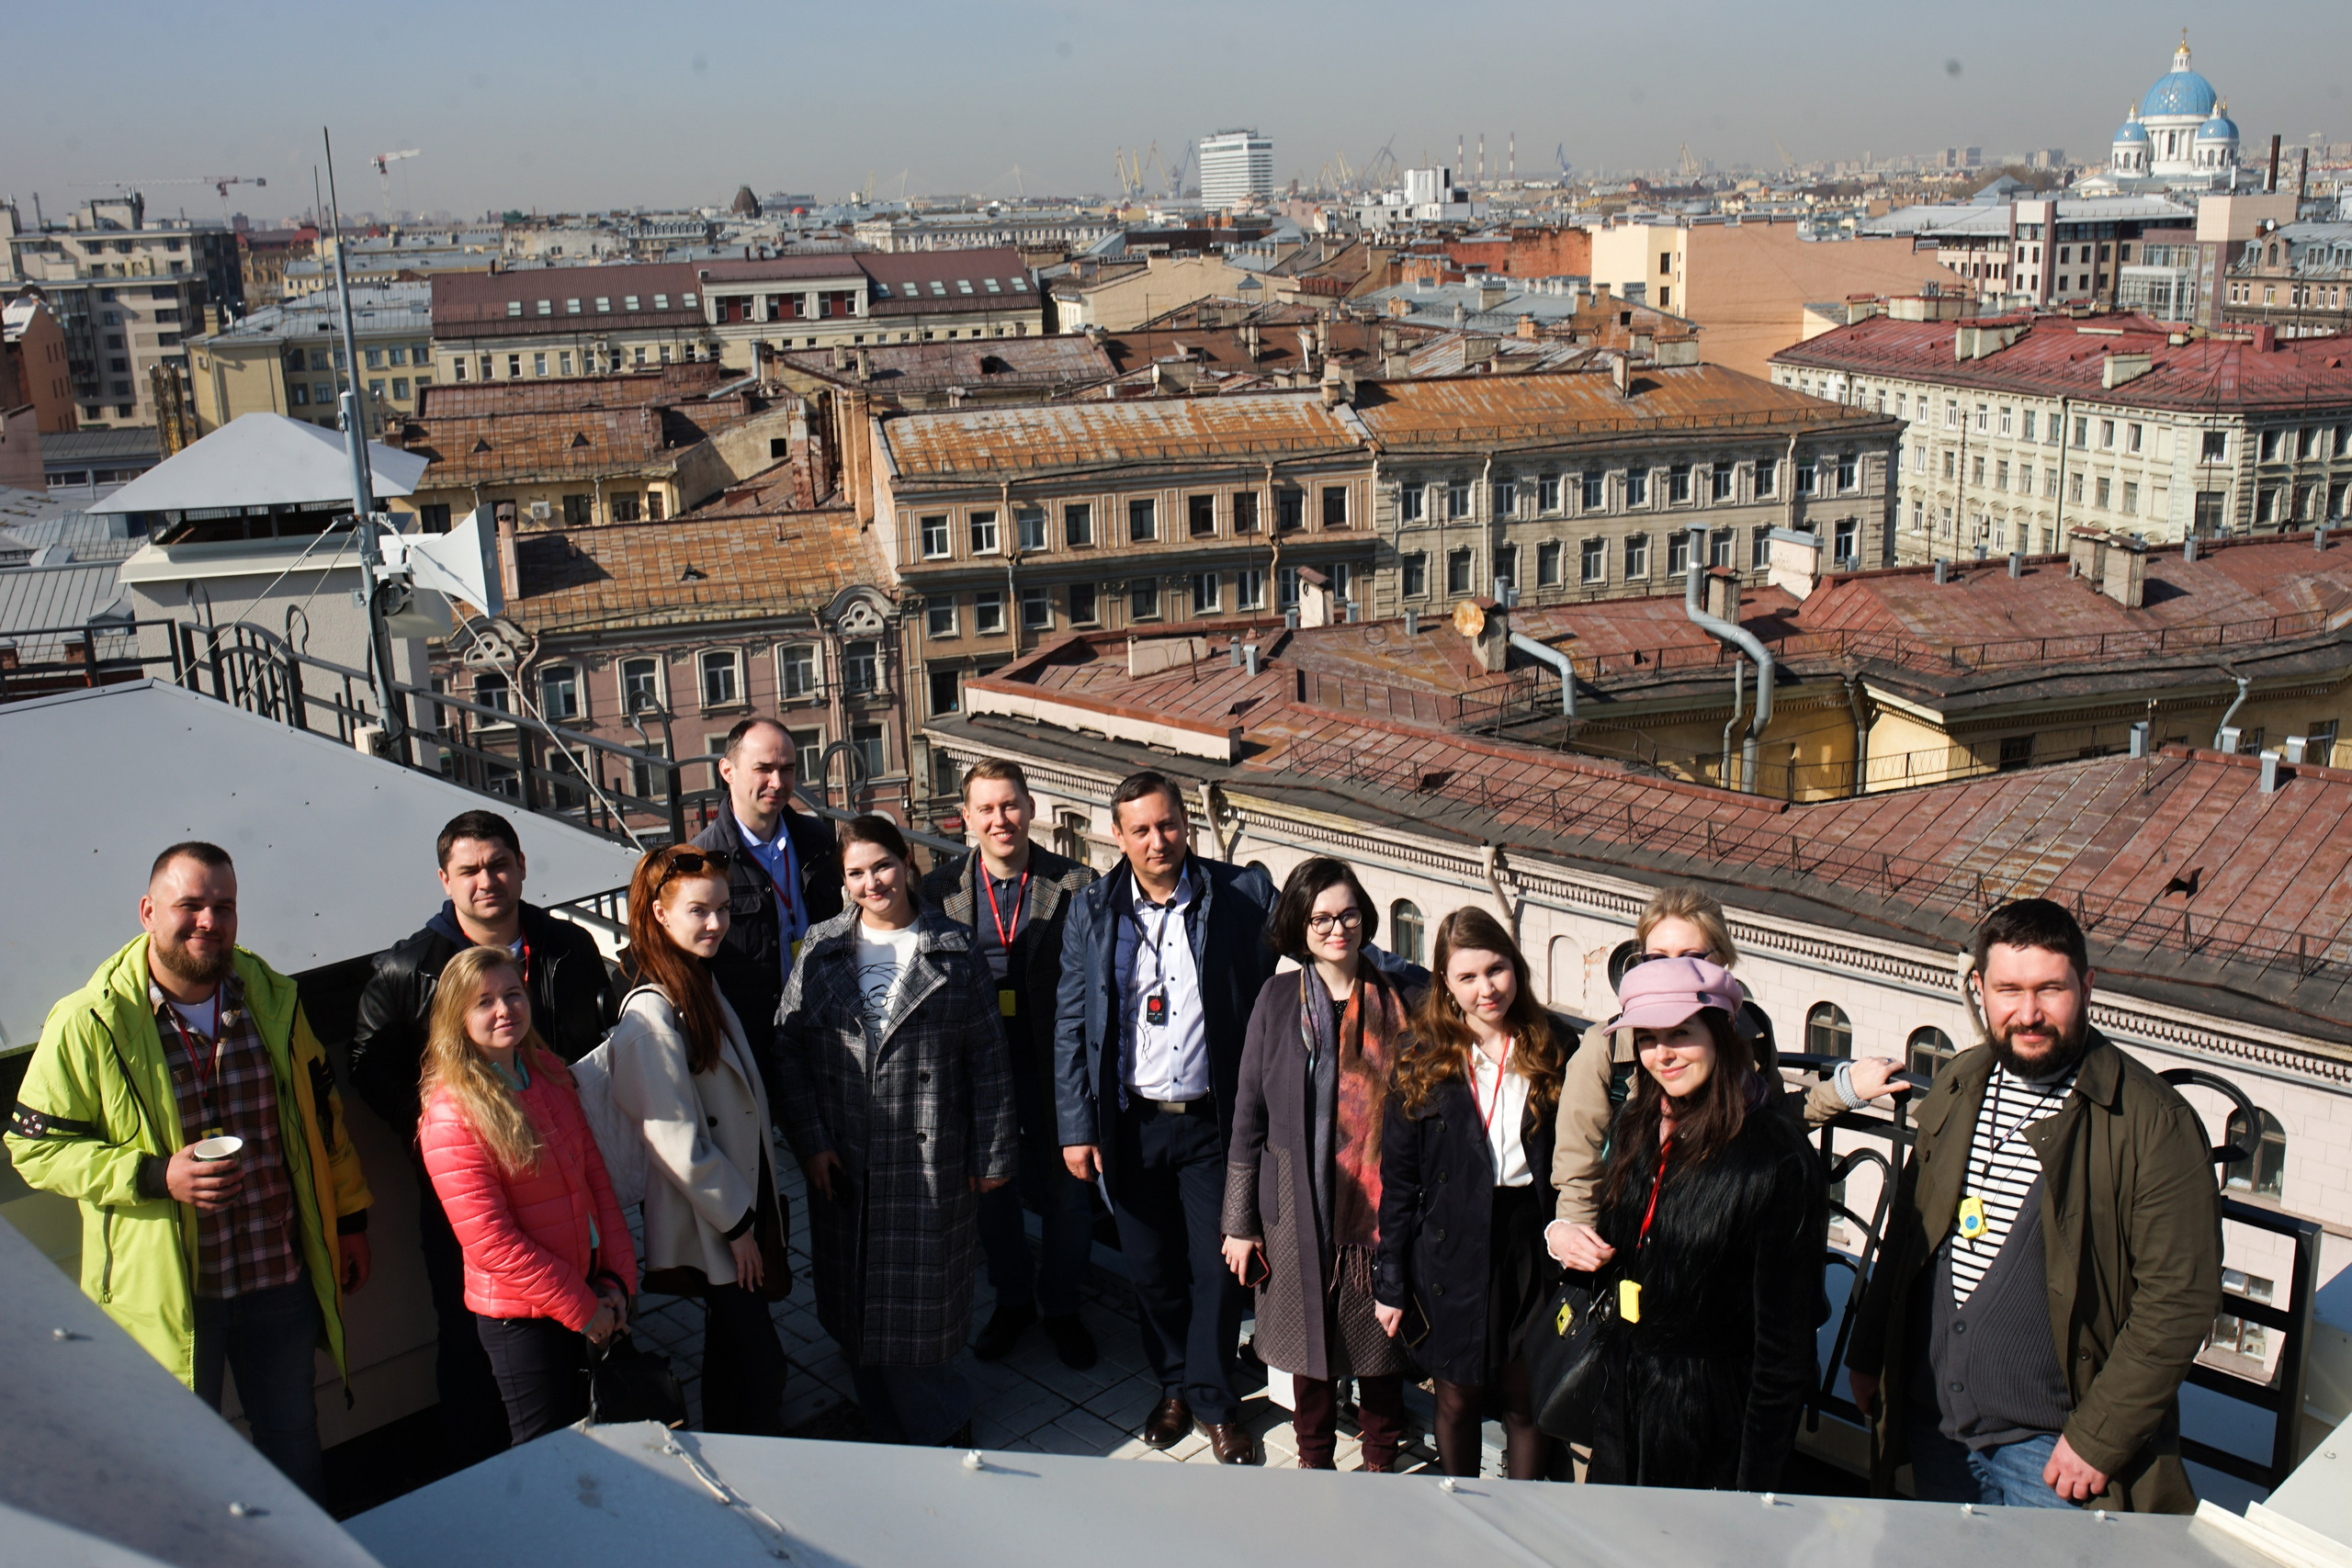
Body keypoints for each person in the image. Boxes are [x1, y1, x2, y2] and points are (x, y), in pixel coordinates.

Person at [6, 842, 373, 1500]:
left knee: (292, 1443)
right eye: (191, 905)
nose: (209, 921)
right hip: (167, 1295)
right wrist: (154, 1177)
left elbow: (325, 1117)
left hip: (275, 1276)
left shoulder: (270, 998)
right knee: (179, 1464)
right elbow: (34, 1149)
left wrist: (350, 1219)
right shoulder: (90, 1020)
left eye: (224, 906)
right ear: (149, 911)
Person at [1845, 898, 2222, 1513]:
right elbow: (1908, 1231)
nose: (2028, 1012)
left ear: (2088, 985)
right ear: (1980, 989)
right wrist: (1868, 1352)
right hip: (1936, 1417)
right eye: (2008, 989)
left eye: (2050, 988)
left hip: (2056, 1452)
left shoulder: (2152, 1122)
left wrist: (2099, 1438)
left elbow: (2179, 1300)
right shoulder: (1962, 1080)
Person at [350, 808, 617, 1463]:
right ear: (445, 879)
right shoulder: (407, 966)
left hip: (563, 1183)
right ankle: (483, 1478)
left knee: (575, 1338)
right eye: (468, 869)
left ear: (522, 866)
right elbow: (366, 1062)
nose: (486, 880)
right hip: (471, 1199)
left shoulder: (567, 947)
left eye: (499, 864)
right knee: (475, 1349)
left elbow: (589, 1041)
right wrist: (444, 1132)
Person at [1055, 773, 1282, 1464]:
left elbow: (1315, 949)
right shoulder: (1093, 908)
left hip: (1213, 1123)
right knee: (1151, 1268)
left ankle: (1214, 1402)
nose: (1160, 841)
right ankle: (1174, 1382)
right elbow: (1071, 1020)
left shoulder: (1238, 895)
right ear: (1118, 836)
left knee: (1219, 1270)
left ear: (1188, 823)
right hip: (1129, 1121)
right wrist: (1075, 1125)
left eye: (1170, 824)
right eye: (1143, 830)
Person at [775, 815, 1017, 1446]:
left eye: (881, 865)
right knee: (854, 1295)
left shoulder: (955, 948)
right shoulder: (822, 948)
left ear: (907, 861)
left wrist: (991, 1153)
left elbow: (988, 1060)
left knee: (924, 1305)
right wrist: (811, 1141)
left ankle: (942, 1421)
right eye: (855, 872)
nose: (870, 881)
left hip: (929, 1157)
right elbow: (788, 1049)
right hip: (847, 1157)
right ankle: (878, 1408)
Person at [1548, 884, 1900, 1272]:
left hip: (1724, 1238)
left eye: (1690, 958)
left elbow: (1774, 1121)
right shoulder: (1609, 1047)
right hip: (1638, 1243)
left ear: (1723, 962)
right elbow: (1578, 1166)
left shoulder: (1750, 1031)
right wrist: (1576, 1239)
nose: (1673, 971)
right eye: (1658, 959)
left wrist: (1845, 1090)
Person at [1579, 956, 1829, 1490]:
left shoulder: (1774, 1159)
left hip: (1709, 1425)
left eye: (1681, 1034)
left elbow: (1783, 1350)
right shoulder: (1642, 1125)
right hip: (1625, 1400)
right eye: (1647, 1037)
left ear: (1720, 1033)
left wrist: (1752, 1489)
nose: (1662, 1054)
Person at [1222, 858, 1417, 1472]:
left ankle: (1381, 1459)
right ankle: (1314, 1462)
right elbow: (1248, 1113)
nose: (1338, 928)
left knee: (1379, 1348)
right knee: (1309, 1351)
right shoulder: (1277, 998)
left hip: (1375, 1211)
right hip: (1295, 1205)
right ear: (1300, 926)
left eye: (1349, 913)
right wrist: (1240, 1219)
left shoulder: (1402, 998)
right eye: (1322, 917)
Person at [1374, 907, 1570, 1481]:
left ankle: (1520, 1513)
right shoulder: (1423, 1058)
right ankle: (1460, 1511)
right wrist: (1391, 1283)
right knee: (1456, 1399)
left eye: (1496, 970)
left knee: (1526, 1400)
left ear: (1516, 968)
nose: (1487, 989)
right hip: (1452, 1243)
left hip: (1529, 1241)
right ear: (1445, 984)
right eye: (1468, 977)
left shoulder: (1552, 1046)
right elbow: (1401, 1184)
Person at [918, 759, 1101, 1370]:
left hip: (1057, 1064)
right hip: (977, 1067)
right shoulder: (936, 891)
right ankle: (1013, 1299)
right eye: (987, 808)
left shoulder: (1076, 883)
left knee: (1070, 1192)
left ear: (1030, 807)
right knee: (989, 1187)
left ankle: (1063, 1305)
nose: (1001, 819)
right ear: (965, 816)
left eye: (1011, 805)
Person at [607, 844, 792, 1435]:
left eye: (722, 908)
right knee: (762, 1364)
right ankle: (760, 1469)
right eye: (698, 911)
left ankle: (730, 1459)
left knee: (732, 1353)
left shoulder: (692, 979)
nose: (716, 924)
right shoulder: (651, 1012)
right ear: (659, 915)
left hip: (735, 1205)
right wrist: (738, 1226)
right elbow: (675, 1139)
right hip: (721, 1218)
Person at [419, 945, 636, 1446]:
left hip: (592, 1296)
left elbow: (596, 1182)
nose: (504, 1010)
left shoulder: (546, 1072)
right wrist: (583, 1307)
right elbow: (491, 1243)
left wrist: (619, 1279)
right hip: (524, 1324)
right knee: (550, 1457)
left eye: (513, 994)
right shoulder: (452, 1114)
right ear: (457, 1017)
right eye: (484, 1002)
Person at [694, 716, 842, 1111]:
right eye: (763, 769)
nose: (778, 783)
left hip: (822, 1031)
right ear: (727, 770)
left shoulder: (817, 840)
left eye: (787, 769)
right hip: (749, 1044)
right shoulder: (704, 861)